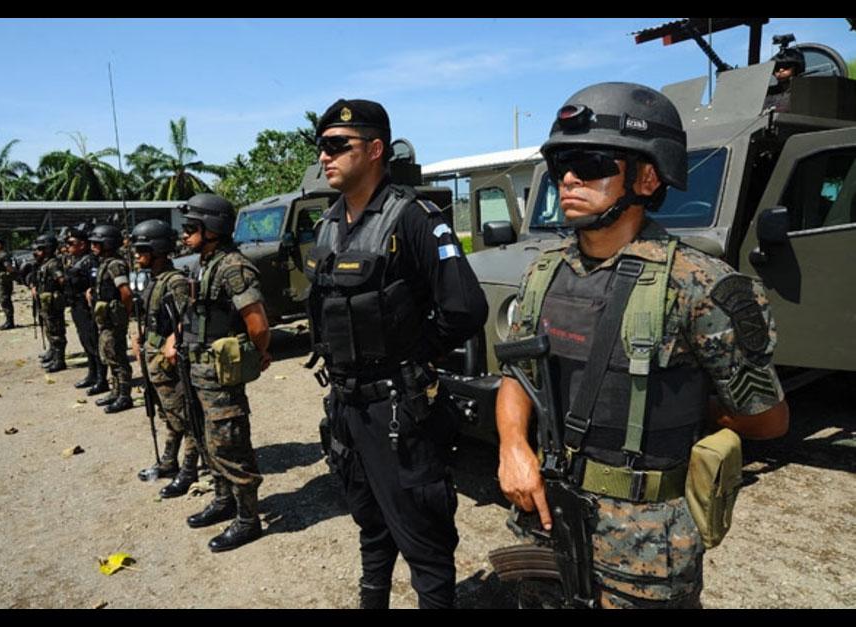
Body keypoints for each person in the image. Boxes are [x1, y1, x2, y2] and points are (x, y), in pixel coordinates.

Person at [496, 82, 790, 609]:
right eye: (562, 161)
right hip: (546, 515)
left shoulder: (699, 284)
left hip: (647, 542)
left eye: (589, 164)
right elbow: (518, 379)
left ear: (647, 176)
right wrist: (513, 446)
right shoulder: (543, 275)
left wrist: (676, 410)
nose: (567, 178)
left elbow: (767, 419)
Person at [306, 98, 488, 609]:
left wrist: (415, 357)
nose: (326, 156)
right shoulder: (329, 225)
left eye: (338, 146)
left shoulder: (413, 219)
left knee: (424, 541)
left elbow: (466, 307)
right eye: (322, 147)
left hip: (398, 413)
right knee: (371, 526)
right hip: (347, 409)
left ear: (376, 149)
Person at [164, 193, 271, 553]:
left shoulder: (232, 267)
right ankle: (223, 499)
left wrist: (260, 352)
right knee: (206, 439)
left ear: (213, 229)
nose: (185, 235)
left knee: (230, 444)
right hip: (196, 369)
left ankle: (247, 518)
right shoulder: (203, 265)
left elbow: (256, 322)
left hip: (220, 375)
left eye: (192, 228)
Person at [130, 219, 199, 497]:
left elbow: (189, 317)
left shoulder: (176, 281)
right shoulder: (154, 280)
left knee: (186, 416)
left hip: (170, 362)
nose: (136, 255)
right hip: (153, 359)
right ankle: (169, 461)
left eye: (142, 249)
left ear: (157, 249)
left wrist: (173, 340)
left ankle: (189, 469)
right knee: (169, 415)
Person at [87, 224, 134, 414]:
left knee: (117, 357)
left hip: (114, 320)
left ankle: (124, 395)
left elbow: (126, 293)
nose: (93, 247)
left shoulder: (115, 264)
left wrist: (123, 315)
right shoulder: (106, 263)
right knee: (109, 354)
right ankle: (115, 391)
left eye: (97, 243)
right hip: (105, 318)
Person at [65, 223, 106, 394]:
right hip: (77, 307)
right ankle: (92, 374)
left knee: (94, 343)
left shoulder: (90, 261)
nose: (67, 247)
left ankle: (101, 379)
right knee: (85, 342)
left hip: (88, 308)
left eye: (71, 243)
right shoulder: (75, 260)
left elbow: (97, 284)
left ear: (82, 244)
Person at [32, 234, 68, 373]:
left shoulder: (53, 264)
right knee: (49, 328)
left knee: (56, 332)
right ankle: (53, 353)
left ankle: (59, 360)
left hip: (53, 303)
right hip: (46, 302)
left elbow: (61, 280)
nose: (37, 252)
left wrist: (59, 294)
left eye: (40, 249)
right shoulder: (44, 263)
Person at [764, 46, 805, 112]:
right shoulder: (768, 94)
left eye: (786, 66)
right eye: (777, 68)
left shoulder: (803, 92)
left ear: (796, 69)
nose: (781, 70)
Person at [0, 237, 15, 330]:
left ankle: (10, 322)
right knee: (3, 300)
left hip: (4, 281)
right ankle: (8, 320)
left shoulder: (3, 255)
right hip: (0, 280)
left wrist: (10, 275)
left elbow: (9, 267)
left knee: (5, 300)